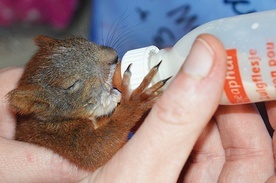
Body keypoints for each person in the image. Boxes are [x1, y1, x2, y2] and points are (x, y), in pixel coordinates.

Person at [0, 34, 275, 182]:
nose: (109, 56)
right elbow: (95, 152)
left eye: (90, 47)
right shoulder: (57, 135)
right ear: (40, 105)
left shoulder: (76, 113)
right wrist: (133, 108)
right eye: (73, 84)